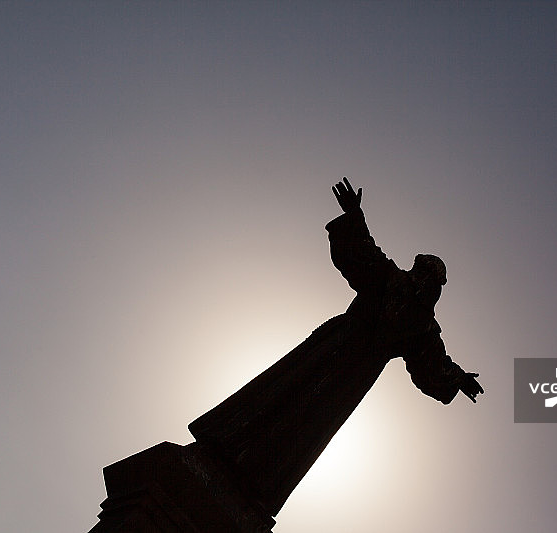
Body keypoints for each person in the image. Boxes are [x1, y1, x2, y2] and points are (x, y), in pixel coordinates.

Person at [189, 178, 483, 517]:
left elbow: (433, 364)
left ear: (430, 280)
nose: (419, 275)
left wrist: (457, 378)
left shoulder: (419, 321)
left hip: (351, 366)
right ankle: (230, 446)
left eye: (424, 272)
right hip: (336, 348)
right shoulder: (398, 290)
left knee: (308, 418)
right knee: (284, 395)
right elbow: (363, 255)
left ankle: (256, 477)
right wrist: (355, 217)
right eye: (420, 270)